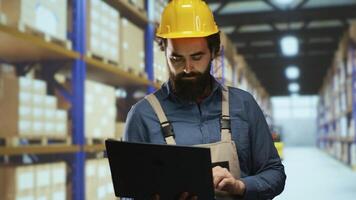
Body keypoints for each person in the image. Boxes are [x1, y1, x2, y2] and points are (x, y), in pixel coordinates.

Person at [123, 0, 286, 199]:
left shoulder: (243, 105)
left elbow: (275, 173)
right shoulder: (142, 115)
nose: (187, 68)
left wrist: (240, 186)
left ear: (214, 51)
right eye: (177, 58)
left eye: (197, 56)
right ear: (164, 51)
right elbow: (130, 192)